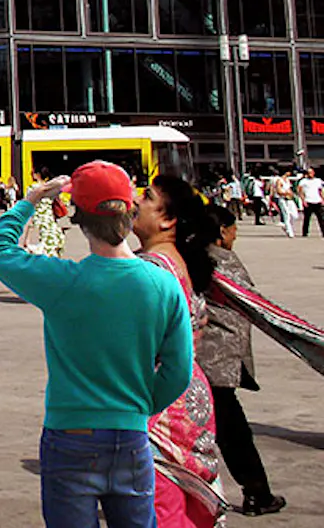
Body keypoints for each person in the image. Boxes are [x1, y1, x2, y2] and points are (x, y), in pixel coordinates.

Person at [0, 164, 193, 528]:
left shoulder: (64, 280)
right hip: (131, 438)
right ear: (129, 212)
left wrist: (30, 200)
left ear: (78, 218)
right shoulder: (163, 284)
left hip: (71, 437)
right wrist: (137, 408)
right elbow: (179, 371)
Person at [135, 176, 225, 528]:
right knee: (186, 508)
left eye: (147, 197)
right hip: (190, 391)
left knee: (162, 506)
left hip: (162, 401)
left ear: (167, 220)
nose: (134, 200)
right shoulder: (176, 261)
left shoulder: (149, 268)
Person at [201, 205, 286, 516]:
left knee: (226, 429)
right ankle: (256, 493)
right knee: (232, 431)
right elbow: (253, 304)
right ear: (222, 232)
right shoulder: (220, 260)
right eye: (233, 228)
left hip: (204, 359)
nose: (236, 235)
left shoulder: (189, 254)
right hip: (216, 359)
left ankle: (256, 492)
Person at [299, 167, 323, 239]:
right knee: (307, 219)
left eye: (311, 172)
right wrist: (303, 200)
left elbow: (320, 190)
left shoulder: (318, 181)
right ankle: (305, 232)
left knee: (321, 218)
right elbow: (300, 191)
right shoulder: (303, 181)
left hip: (317, 201)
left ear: (314, 173)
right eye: (308, 173)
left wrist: (322, 199)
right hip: (308, 201)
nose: (310, 174)